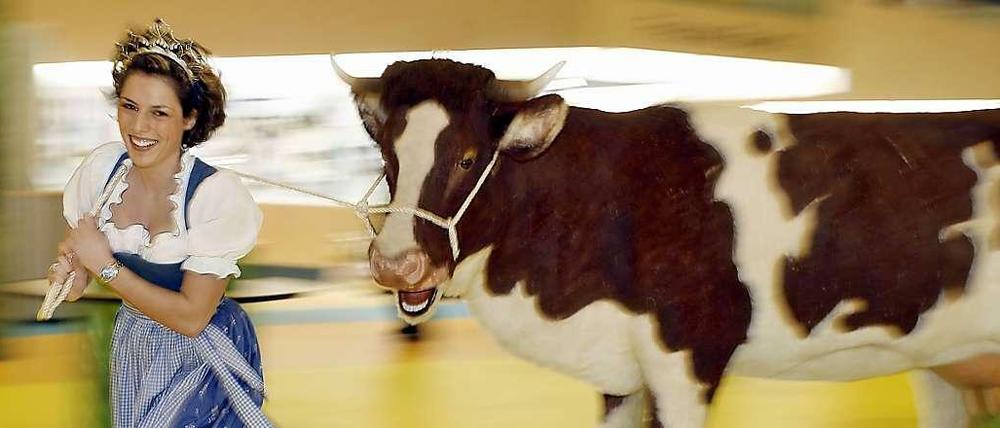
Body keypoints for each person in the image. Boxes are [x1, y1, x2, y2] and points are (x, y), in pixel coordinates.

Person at [46, 19, 271, 427]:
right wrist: (69, 272)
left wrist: (105, 267)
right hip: (135, 345)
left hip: (202, 351)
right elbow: (79, 279)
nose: (138, 127)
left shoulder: (214, 195)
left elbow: (191, 317)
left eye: (159, 113)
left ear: (190, 119)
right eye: (129, 107)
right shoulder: (101, 173)